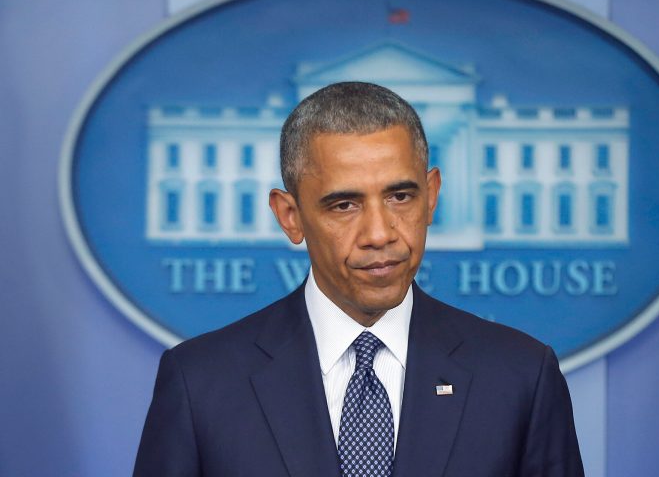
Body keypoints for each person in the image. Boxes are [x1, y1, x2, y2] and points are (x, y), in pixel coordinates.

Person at [134, 82, 584, 476]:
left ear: (431, 197)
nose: (380, 233)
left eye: (401, 196)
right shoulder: (201, 382)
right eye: (344, 205)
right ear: (290, 217)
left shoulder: (521, 376)